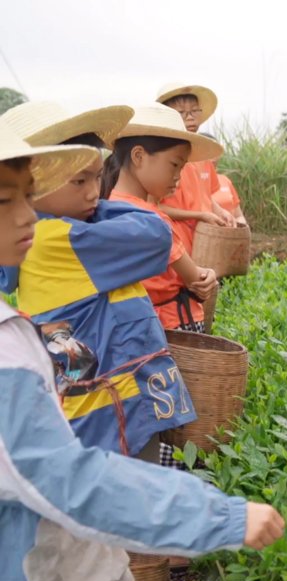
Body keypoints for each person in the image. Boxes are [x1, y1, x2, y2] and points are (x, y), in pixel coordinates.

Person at [0, 123, 284, 581]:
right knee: (114, 511)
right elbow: (154, 236)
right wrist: (221, 518)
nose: (26, 215)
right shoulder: (55, 242)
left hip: (105, 407)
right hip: (102, 414)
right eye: (9, 201)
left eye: (26, 197)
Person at [0, 101, 197, 466]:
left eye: (96, 176)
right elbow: (156, 234)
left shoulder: (58, 233)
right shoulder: (61, 237)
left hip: (94, 405)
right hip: (115, 410)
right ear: (37, 185)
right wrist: (105, 208)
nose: (94, 192)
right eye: (80, 180)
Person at [103, 104, 220, 332]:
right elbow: (196, 279)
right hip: (172, 325)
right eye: (174, 165)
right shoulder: (153, 219)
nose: (178, 177)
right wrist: (210, 275)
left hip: (129, 328)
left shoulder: (105, 208)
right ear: (138, 156)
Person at [156, 82, 236, 255]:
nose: (190, 117)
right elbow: (154, 207)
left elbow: (205, 195)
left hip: (202, 243)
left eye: (194, 111)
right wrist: (199, 215)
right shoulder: (161, 157)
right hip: (173, 245)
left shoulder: (203, 154)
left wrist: (220, 211)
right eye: (182, 113)